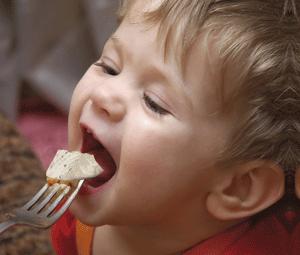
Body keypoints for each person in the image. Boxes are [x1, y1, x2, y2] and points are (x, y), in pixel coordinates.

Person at [51, 0, 300, 254]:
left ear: (238, 187)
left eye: (154, 103)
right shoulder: (68, 206)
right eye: (110, 68)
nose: (104, 94)